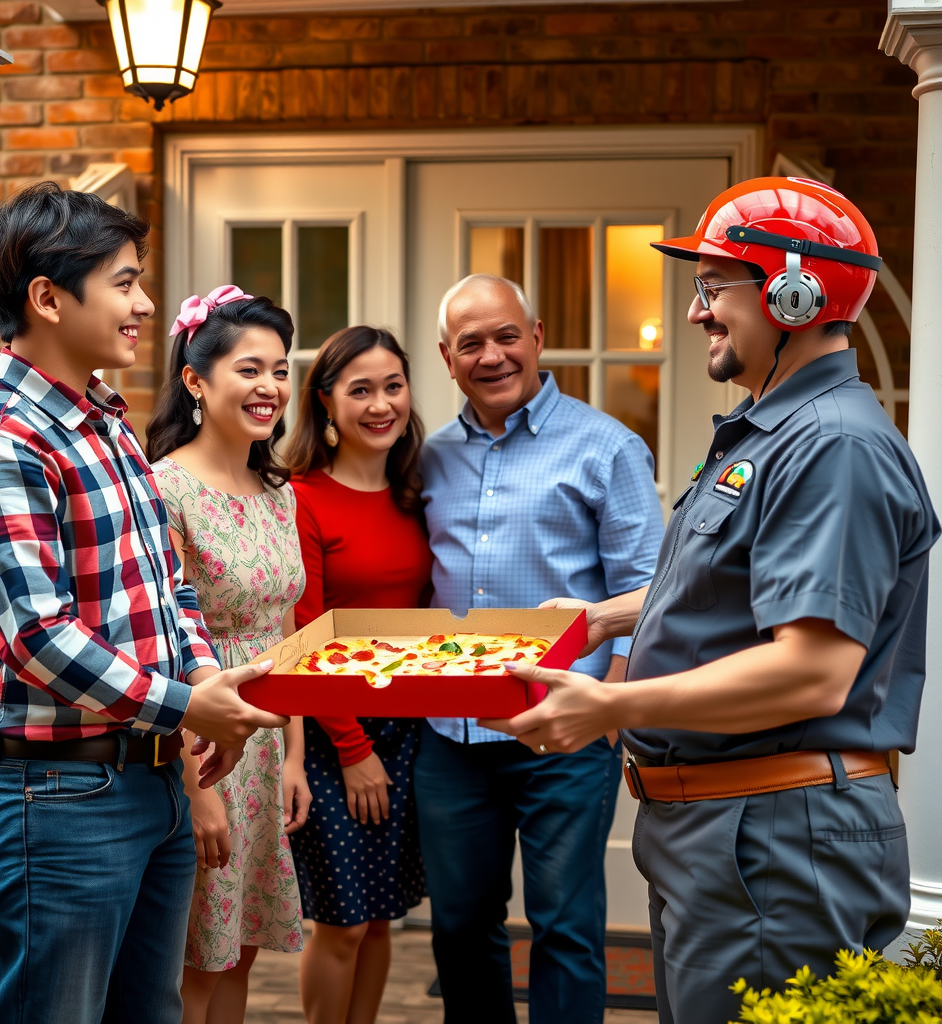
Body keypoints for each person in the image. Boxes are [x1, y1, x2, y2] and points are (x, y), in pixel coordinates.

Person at [485, 178, 940, 1024]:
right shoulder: (773, 431)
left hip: (770, 839)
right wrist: (603, 617)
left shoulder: (833, 447)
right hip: (729, 836)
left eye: (713, 287)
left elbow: (810, 674)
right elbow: (728, 580)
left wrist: (609, 705)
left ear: (792, 292)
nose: (697, 312)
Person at [0, 182, 283, 1024]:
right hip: (55, 800)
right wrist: (192, 701)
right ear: (47, 298)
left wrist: (194, 693)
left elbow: (167, 586)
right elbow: (39, 637)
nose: (146, 303)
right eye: (124, 282)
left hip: (150, 783)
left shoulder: (108, 427)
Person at [418, 274, 665, 1024]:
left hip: (565, 728)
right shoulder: (428, 458)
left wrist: (611, 710)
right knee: (460, 927)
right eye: (471, 344)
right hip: (452, 736)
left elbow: (649, 592)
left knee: (564, 928)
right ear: (446, 357)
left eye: (505, 336)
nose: (491, 356)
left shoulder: (607, 447)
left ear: (537, 336)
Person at [145, 287, 311, 1024]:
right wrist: (198, 785)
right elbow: (163, 646)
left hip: (269, 753)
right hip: (203, 751)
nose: (270, 387)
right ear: (195, 379)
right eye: (249, 369)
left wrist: (296, 756)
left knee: (240, 952)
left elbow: (284, 633)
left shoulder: (279, 492)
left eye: (280, 369)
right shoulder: (164, 488)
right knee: (195, 966)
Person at [282, 326, 431, 1024]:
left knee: (380, 920)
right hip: (334, 730)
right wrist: (351, 748)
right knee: (340, 921)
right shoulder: (303, 497)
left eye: (393, 386)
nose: (381, 404)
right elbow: (304, 636)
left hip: (412, 732)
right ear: (327, 401)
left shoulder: (418, 491)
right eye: (360, 389)